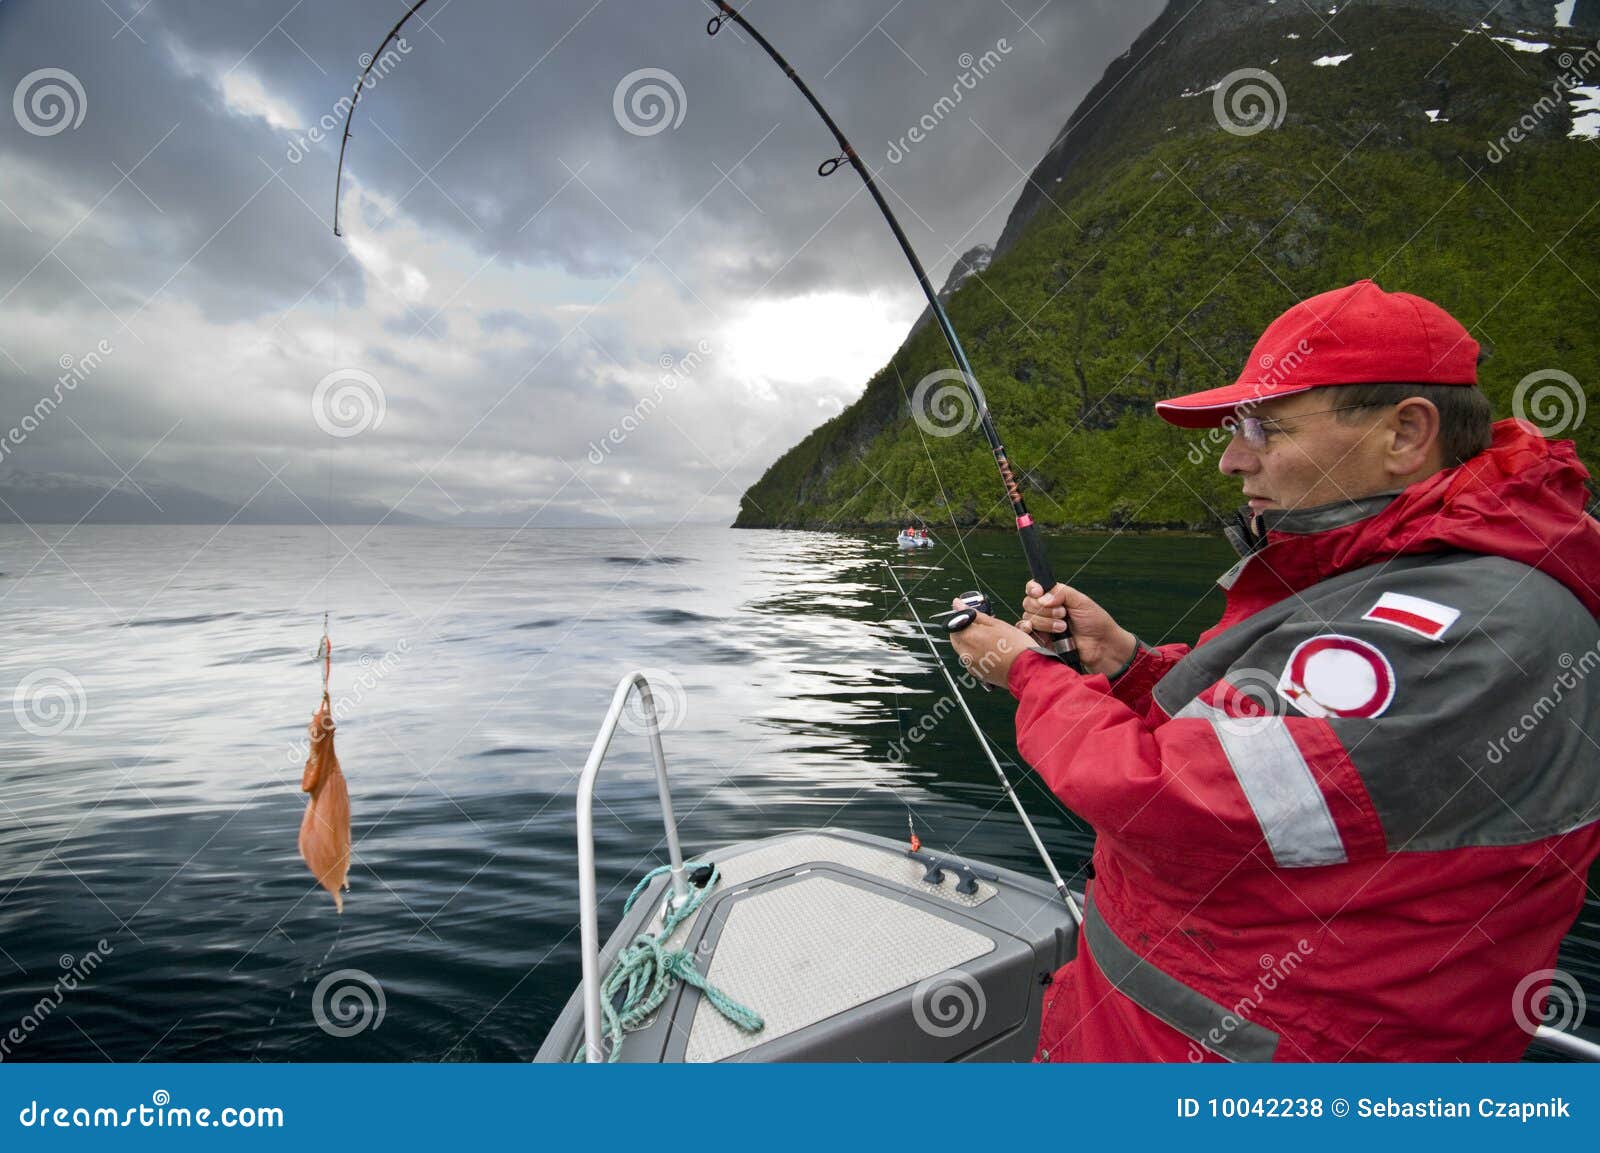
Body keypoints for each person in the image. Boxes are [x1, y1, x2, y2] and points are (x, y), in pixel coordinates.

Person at [948, 279, 1600, 1061]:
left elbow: (1173, 802)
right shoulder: (1409, 578)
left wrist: (1028, 672)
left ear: (1406, 433)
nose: (1229, 458)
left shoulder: (1459, 625)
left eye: (1264, 427)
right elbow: (1281, 739)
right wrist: (1126, 663)